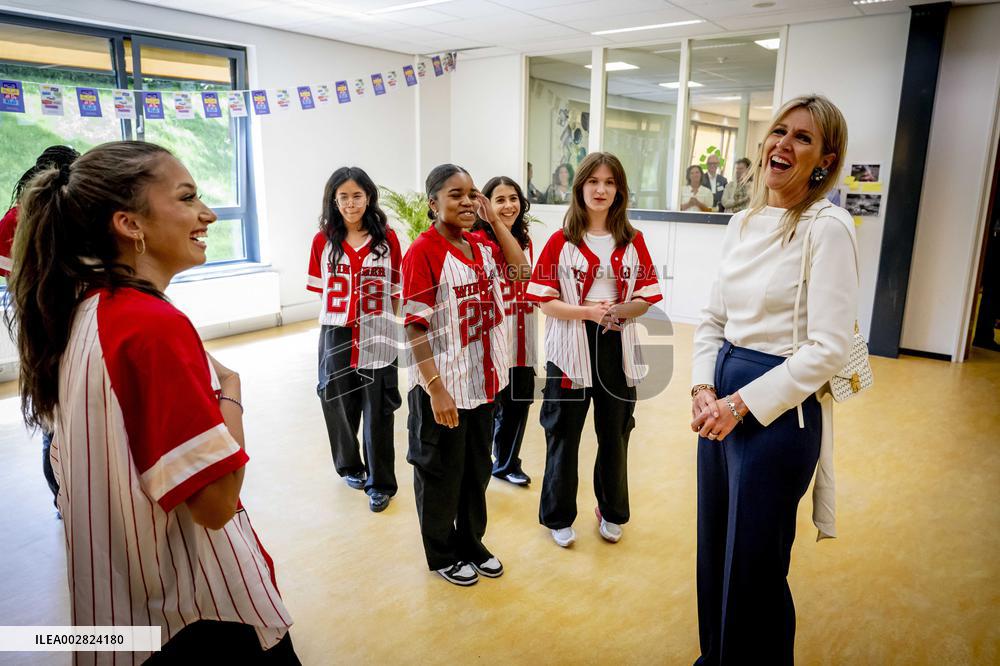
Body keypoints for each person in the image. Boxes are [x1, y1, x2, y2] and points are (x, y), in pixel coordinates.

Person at [6, 141, 297, 662]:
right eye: (187, 198)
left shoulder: (84, 309)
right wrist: (230, 393)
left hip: (124, 613)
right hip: (193, 611)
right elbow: (215, 505)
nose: (207, 214)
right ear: (129, 224)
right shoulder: (151, 328)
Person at [690, 95, 856, 665]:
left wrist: (740, 403)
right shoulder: (742, 221)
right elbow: (713, 319)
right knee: (715, 548)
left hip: (778, 411)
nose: (782, 144)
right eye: (778, 131)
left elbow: (829, 348)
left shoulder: (827, 227)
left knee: (754, 564)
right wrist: (702, 389)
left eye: (802, 138)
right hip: (722, 400)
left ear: (824, 160)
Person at [526, 152, 662, 548]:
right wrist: (588, 312)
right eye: (593, 182)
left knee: (615, 432)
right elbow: (544, 300)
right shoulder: (560, 241)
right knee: (563, 433)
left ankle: (611, 509)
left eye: (610, 182)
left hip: (617, 344)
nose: (601, 190)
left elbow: (646, 297)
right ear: (580, 187)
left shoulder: (633, 241)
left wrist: (620, 311)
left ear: (619, 190)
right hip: (569, 347)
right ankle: (558, 515)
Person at [402, 164, 529, 586]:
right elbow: (415, 327)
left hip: (483, 383)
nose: (467, 201)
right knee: (440, 475)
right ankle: (441, 553)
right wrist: (436, 389)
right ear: (432, 203)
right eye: (455, 194)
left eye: (473, 193)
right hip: (444, 389)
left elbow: (521, 270)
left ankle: (472, 542)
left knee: (475, 472)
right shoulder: (423, 251)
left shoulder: (483, 246)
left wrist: (493, 219)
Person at [307, 166, 402, 513]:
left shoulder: (387, 239)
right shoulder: (323, 240)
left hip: (377, 331)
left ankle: (381, 483)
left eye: (357, 195)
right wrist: (339, 322)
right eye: (343, 196)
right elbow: (322, 292)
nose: (351, 203)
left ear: (369, 197)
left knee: (379, 409)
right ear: (334, 200)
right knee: (337, 400)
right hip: (336, 331)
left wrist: (388, 328)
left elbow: (395, 290)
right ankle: (350, 466)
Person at [0, 144, 80, 511]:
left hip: (35, 325)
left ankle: (62, 500)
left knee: (52, 412)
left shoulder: (14, 218)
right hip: (74, 321)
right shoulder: (75, 211)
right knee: (71, 409)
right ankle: (74, 499)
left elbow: (8, 273)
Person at [470, 176, 536, 486]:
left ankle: (507, 463)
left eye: (513, 198)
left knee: (518, 401)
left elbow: (525, 275)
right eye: (499, 200)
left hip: (522, 332)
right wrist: (495, 223)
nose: (508, 205)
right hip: (492, 335)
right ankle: (483, 462)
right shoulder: (478, 242)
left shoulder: (525, 239)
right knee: (489, 405)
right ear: (485, 206)